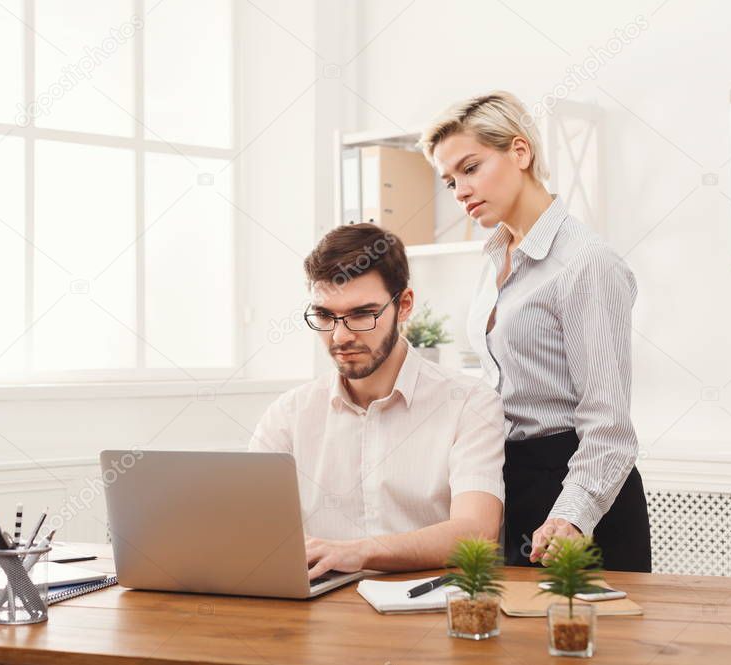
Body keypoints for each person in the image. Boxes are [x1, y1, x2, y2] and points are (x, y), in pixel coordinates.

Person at [419, 90, 651, 572]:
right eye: (449, 181)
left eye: (470, 168)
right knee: (514, 645)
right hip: (513, 480)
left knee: (596, 645)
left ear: (520, 152)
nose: (459, 191)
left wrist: (571, 517)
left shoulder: (586, 263)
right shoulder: (495, 257)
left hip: (578, 491)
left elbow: (609, 427)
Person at [249, 223, 506, 582]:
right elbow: (249, 529)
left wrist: (358, 552)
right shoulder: (288, 415)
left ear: (404, 306)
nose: (341, 336)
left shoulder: (469, 403)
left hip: (429, 609)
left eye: (361, 314)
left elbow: (477, 533)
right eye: (324, 315)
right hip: (319, 614)